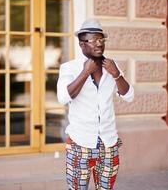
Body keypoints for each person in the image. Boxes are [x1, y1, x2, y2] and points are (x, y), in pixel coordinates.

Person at [57, 19, 134, 190]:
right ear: (82, 44)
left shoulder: (112, 67)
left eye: (101, 40)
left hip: (108, 143)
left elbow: (129, 96)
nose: (99, 44)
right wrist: (85, 72)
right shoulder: (69, 68)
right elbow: (63, 97)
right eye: (93, 40)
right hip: (80, 143)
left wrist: (116, 75)